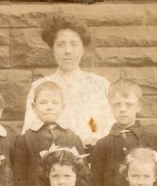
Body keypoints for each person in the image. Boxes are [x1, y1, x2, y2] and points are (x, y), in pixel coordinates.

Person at [22, 14, 115, 146]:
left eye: (74, 44)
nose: (68, 51)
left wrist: (96, 138)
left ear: (83, 49)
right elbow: (29, 131)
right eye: (61, 45)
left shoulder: (99, 84)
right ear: (52, 50)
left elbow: (109, 125)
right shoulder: (39, 86)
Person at [13, 81, 86, 186]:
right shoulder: (25, 139)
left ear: (62, 107)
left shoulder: (72, 136)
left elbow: (83, 173)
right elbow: (19, 177)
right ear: (34, 107)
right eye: (43, 103)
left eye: (55, 103)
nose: (49, 107)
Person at [90, 79, 157, 186]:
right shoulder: (103, 144)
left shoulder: (151, 140)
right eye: (117, 105)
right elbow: (96, 181)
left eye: (129, 105)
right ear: (110, 107)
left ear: (138, 107)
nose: (122, 109)